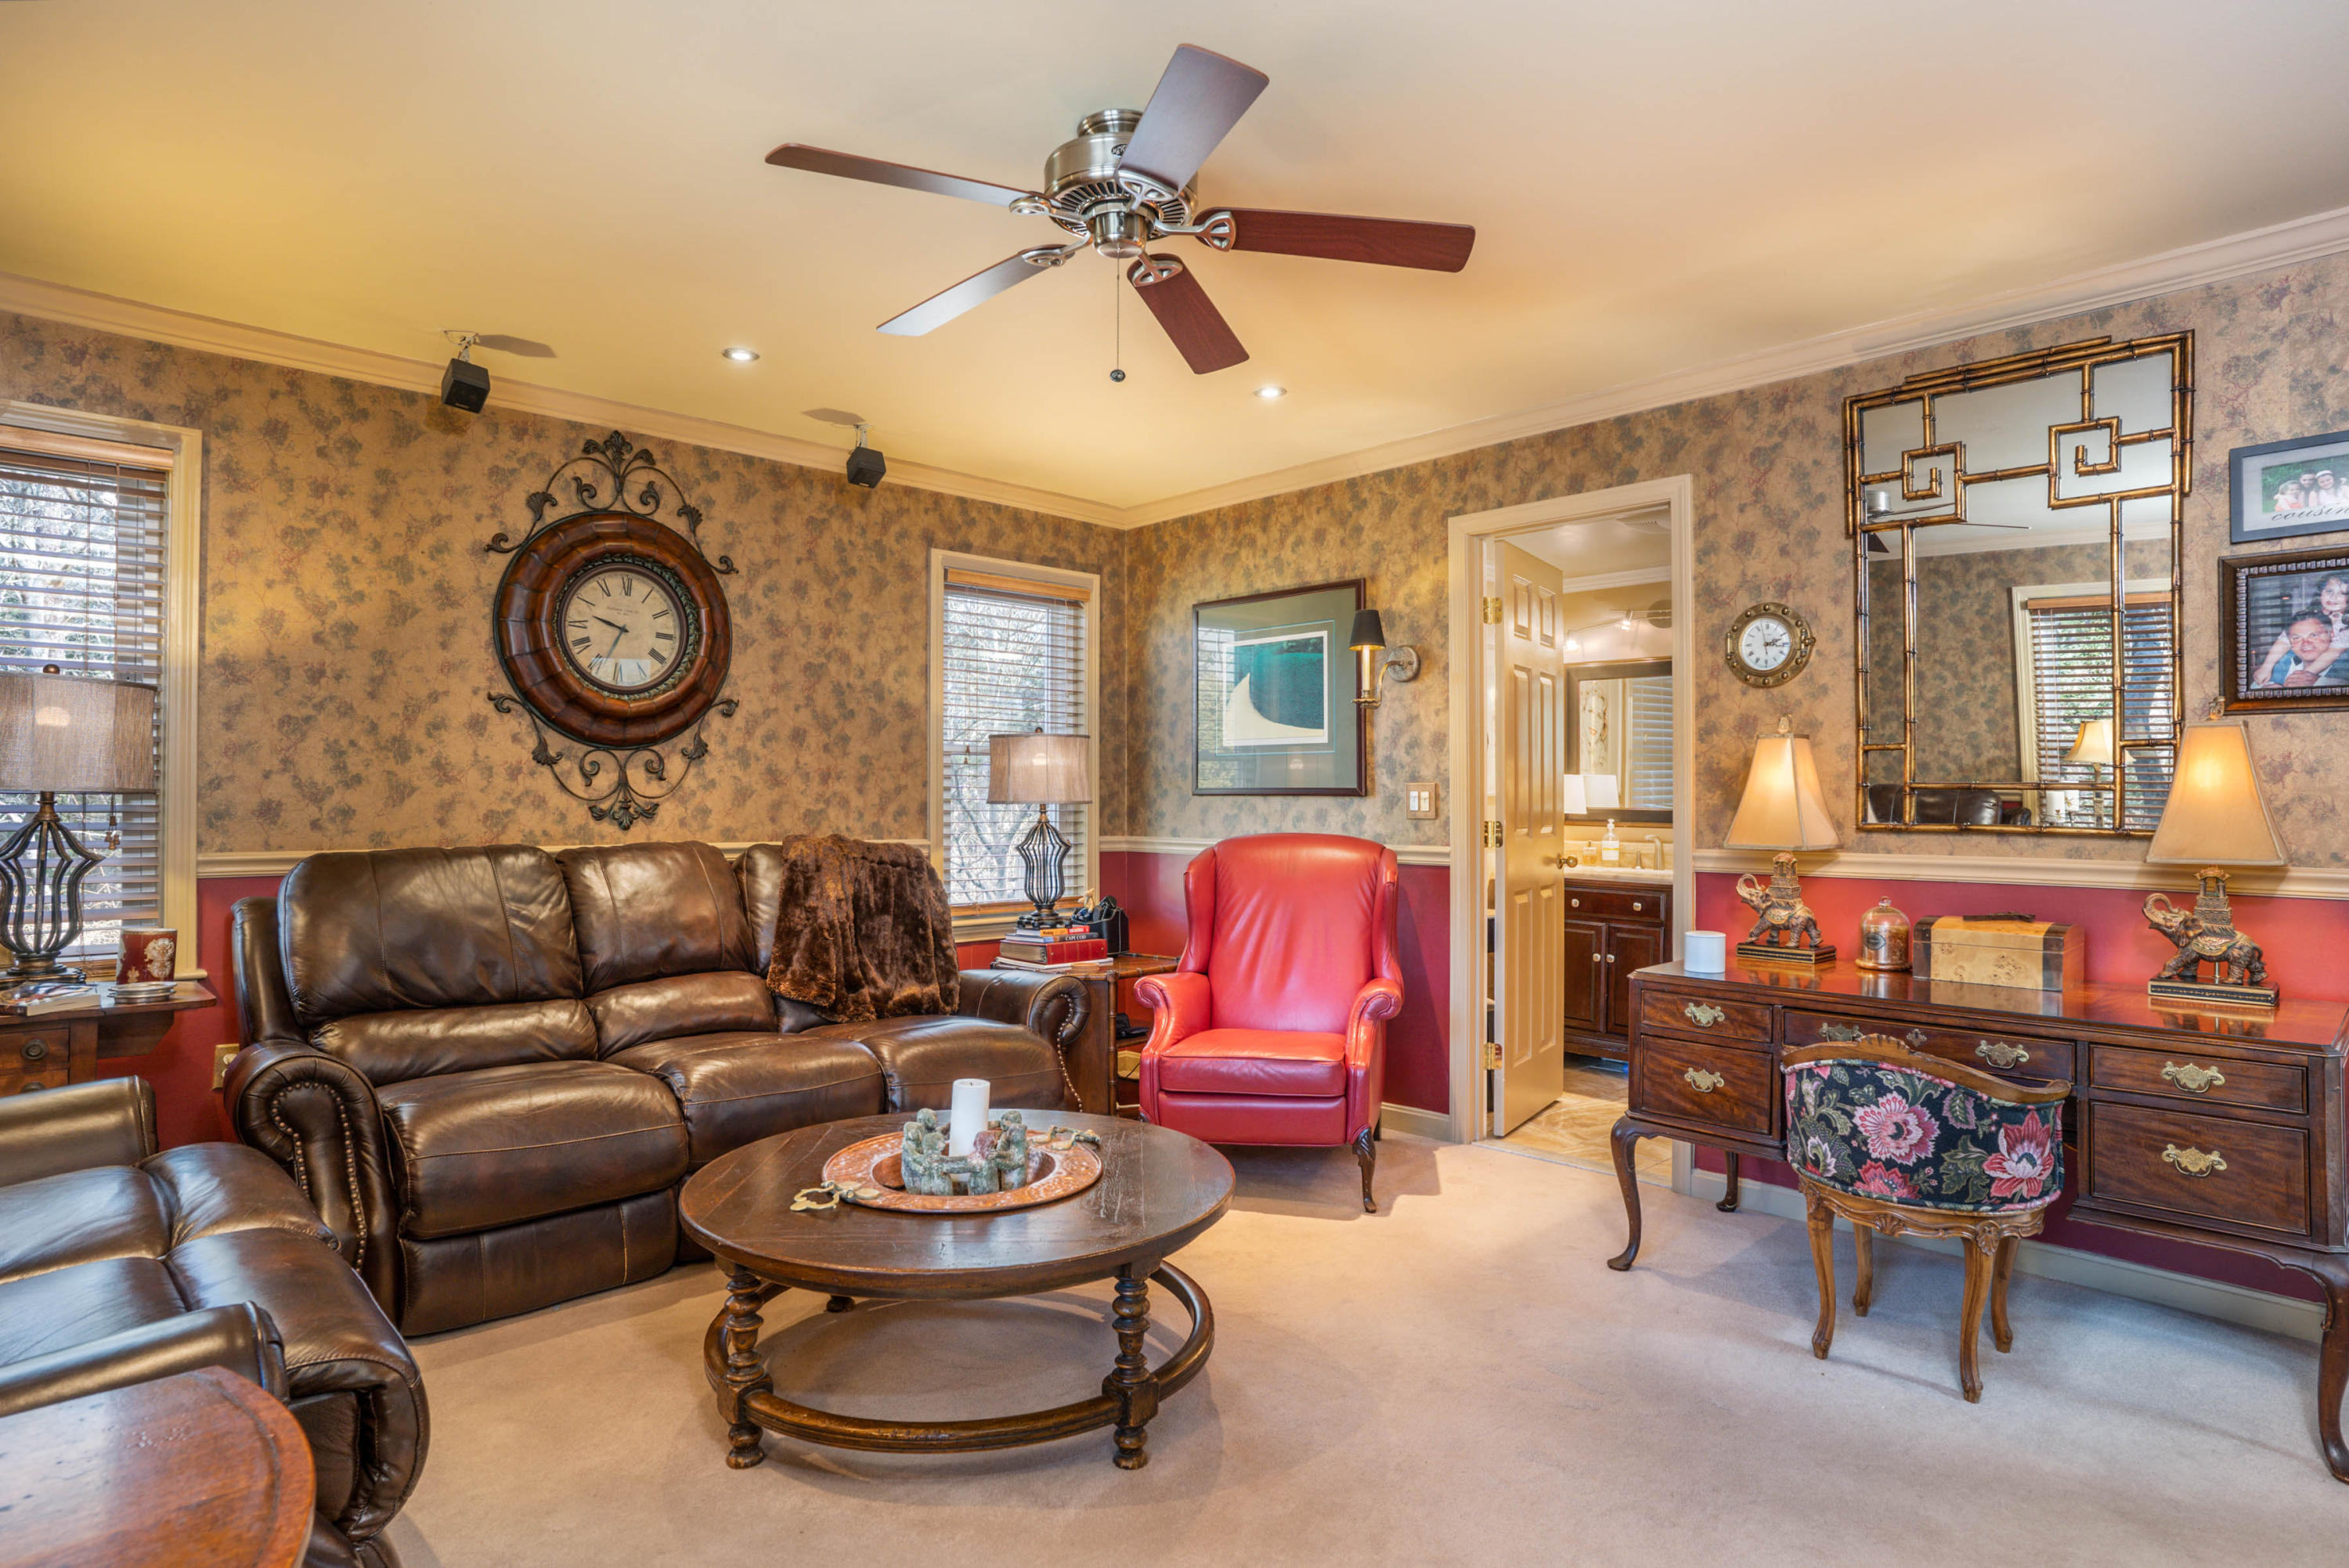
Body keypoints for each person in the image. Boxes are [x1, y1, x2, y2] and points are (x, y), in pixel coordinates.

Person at [2250, 576, 2349, 687]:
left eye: (2342, 593)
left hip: (2328, 664)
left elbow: (2332, 654)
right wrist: (2266, 667)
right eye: (2329, 591)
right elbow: (2283, 641)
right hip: (2299, 660)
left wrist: (2298, 679)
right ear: (2320, 592)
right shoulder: (2310, 614)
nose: (2333, 597)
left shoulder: (2346, 626)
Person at [2253, 611, 2347, 688]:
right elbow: (2254, 688)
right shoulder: (2282, 663)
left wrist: (2319, 682)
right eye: (2297, 638)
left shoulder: (2344, 668)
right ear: (2289, 641)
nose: (2305, 643)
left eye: (2314, 635)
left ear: (2331, 634)